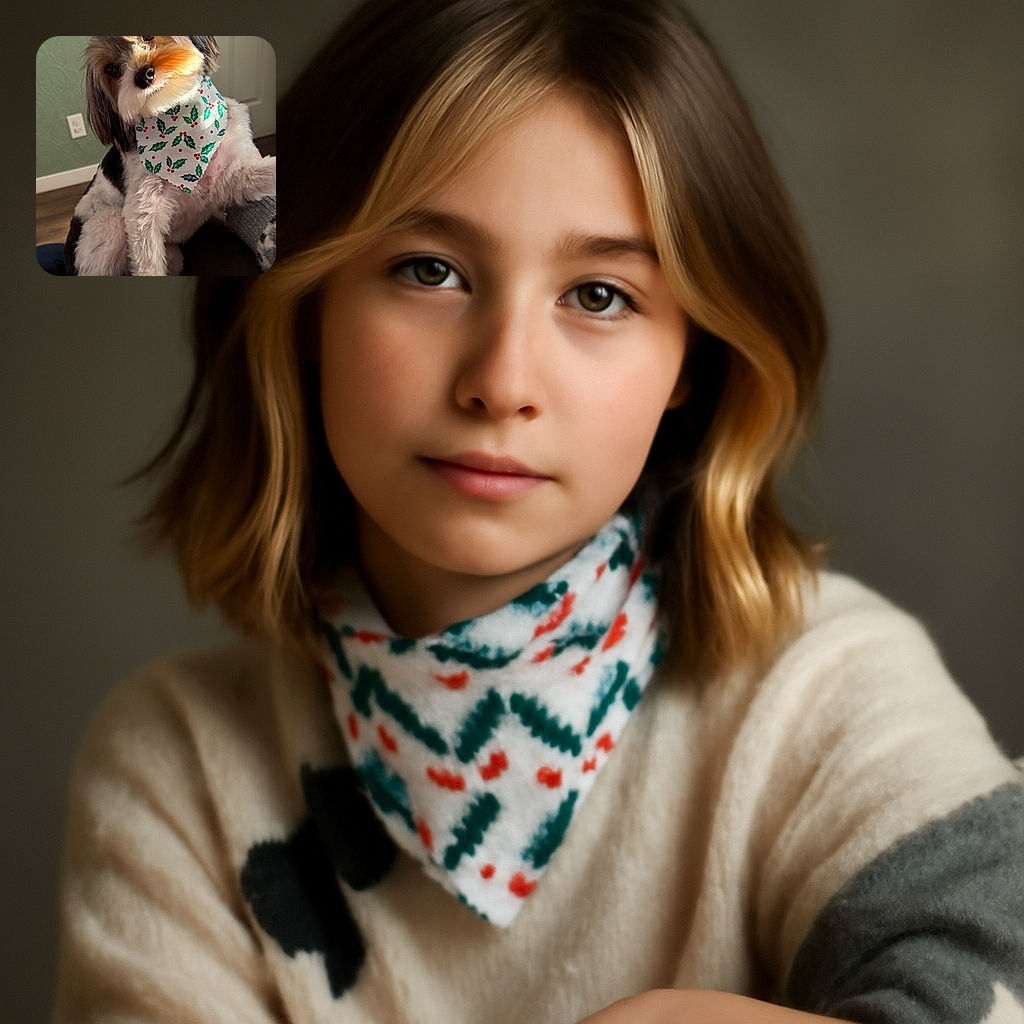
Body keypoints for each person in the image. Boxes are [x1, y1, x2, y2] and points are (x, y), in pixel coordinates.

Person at [52, 0, 1024, 1021]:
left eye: (599, 295)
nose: (502, 380)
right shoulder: (180, 768)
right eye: (428, 270)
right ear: (303, 305)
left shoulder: (826, 689)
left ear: (695, 356)